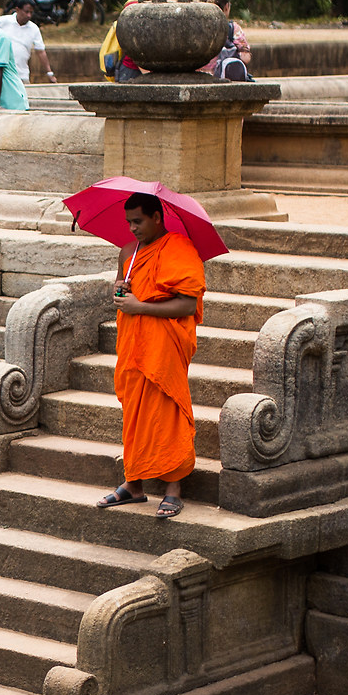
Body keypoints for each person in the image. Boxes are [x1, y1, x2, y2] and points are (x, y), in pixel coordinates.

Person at [95, 191, 205, 519]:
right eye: (128, 222)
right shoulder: (127, 253)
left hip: (164, 346)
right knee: (135, 410)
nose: (132, 228)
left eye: (138, 221)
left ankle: (173, 489)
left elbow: (187, 304)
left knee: (167, 408)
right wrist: (121, 291)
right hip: (134, 344)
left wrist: (140, 306)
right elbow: (120, 289)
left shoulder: (180, 249)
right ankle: (134, 484)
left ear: (157, 217)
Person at [5, 0, 54, 85]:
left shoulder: (34, 29)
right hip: (3, 75)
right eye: (26, 12)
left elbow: (40, 51)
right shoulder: (2, 22)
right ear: (17, 10)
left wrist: (49, 73)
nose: (29, 15)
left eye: (31, 12)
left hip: (22, 75)